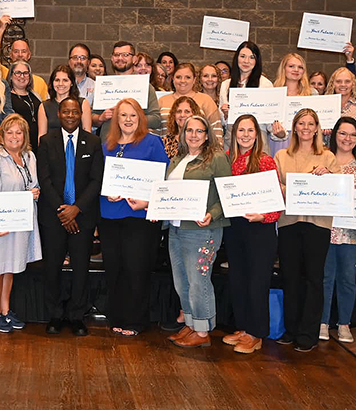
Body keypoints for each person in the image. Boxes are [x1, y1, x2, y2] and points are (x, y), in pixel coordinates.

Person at [99, 97, 169, 336]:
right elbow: (97, 178)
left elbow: (162, 181)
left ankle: (135, 320)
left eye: (132, 115)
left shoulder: (152, 143)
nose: (128, 120)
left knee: (136, 269)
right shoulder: (107, 144)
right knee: (114, 268)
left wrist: (147, 202)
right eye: (123, 115)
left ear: (140, 118)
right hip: (109, 216)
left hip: (139, 218)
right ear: (116, 120)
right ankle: (116, 316)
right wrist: (106, 193)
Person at [37, 97, 104, 336]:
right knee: (52, 267)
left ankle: (77, 315)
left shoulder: (93, 142)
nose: (70, 116)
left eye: (75, 112)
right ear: (59, 114)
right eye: (66, 112)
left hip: (82, 217)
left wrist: (76, 208)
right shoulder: (46, 141)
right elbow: (44, 180)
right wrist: (63, 210)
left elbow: (96, 180)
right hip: (54, 215)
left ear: (80, 114)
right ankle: (55, 314)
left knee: (81, 268)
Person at [274, 108, 339, 352]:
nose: (305, 127)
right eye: (301, 123)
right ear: (295, 127)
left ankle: (308, 333)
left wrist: (328, 176)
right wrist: (285, 187)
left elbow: (338, 190)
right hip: (289, 222)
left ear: (317, 128)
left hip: (318, 224)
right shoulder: (282, 155)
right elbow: (274, 183)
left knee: (314, 279)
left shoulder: (328, 157)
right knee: (290, 278)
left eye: (310, 123)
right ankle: (290, 330)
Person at [165, 115, 230, 349]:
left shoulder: (217, 158)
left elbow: (227, 193)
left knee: (198, 281)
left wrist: (212, 213)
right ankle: (192, 324)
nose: (193, 135)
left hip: (203, 230)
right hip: (176, 228)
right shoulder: (178, 158)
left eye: (199, 131)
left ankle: (202, 332)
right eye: (189, 130)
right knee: (181, 281)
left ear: (207, 135)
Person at [222, 114, 280, 355]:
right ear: (234, 134)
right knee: (239, 279)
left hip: (260, 229)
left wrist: (263, 217)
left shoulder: (266, 161)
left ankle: (257, 334)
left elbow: (276, 203)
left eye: (250, 131)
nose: (245, 135)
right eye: (241, 130)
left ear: (257, 135)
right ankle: (244, 328)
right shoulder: (227, 161)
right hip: (235, 228)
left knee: (257, 282)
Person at [0, 114, 41, 333]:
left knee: (10, 267)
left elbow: (34, 185)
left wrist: (36, 192)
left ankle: (6, 310)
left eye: (19, 132)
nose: (14, 136)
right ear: (2, 135)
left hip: (20, 223)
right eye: (10, 132)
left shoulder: (30, 156)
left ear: (25, 136)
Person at [321, 117, 356, 344]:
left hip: (353, 234)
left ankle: (344, 324)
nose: (347, 139)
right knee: (325, 277)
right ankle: (322, 322)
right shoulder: (323, 161)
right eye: (343, 133)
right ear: (334, 134)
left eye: (353, 135)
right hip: (325, 229)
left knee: (347, 278)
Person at [92, 41, 162, 138]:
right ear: (112, 58)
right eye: (116, 55)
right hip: (108, 144)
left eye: (125, 55)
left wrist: (132, 117)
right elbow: (91, 117)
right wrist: (101, 118)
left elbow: (156, 120)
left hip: (137, 145)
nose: (120, 58)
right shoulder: (104, 85)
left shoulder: (145, 86)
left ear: (134, 59)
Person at [158, 62, 222, 138]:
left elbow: (216, 133)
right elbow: (155, 132)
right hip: (167, 148)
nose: (182, 81)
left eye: (187, 77)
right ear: (173, 79)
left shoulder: (206, 100)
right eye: (178, 77)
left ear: (194, 80)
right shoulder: (162, 101)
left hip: (199, 149)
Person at [0, 21, 49, 100]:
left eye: (23, 51)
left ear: (29, 55)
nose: (20, 55)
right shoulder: (3, 74)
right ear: (10, 55)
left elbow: (44, 108)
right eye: (16, 51)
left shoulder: (40, 82)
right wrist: (1, 29)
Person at [268, 53, 313, 156]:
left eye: (300, 67)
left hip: (304, 142)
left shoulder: (311, 94)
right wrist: (278, 132)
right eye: (291, 66)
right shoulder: (272, 92)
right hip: (278, 143)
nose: (296, 70)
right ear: (284, 69)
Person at [40, 65, 91, 140]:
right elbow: (41, 136)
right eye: (57, 80)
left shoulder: (82, 103)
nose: (60, 84)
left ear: (72, 83)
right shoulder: (44, 106)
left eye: (65, 80)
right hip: (52, 149)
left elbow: (87, 133)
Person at [8, 60, 44, 153]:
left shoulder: (35, 95)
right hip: (17, 144)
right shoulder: (6, 97)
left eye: (25, 73)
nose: (22, 76)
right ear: (11, 76)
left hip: (36, 143)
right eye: (18, 73)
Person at [327, 67, 356, 134]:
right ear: (332, 84)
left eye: (347, 81)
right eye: (338, 81)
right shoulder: (324, 104)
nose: (343, 85)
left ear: (353, 84)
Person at [163, 96, 202, 161]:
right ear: (174, 115)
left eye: (187, 111)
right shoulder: (164, 143)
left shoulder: (200, 141)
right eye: (179, 111)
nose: (182, 115)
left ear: (194, 114)